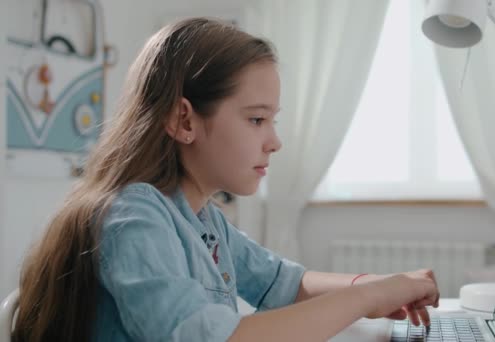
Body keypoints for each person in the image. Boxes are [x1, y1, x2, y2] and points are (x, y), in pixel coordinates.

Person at [12, 18, 440, 342]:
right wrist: (366, 300)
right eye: (256, 119)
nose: (274, 142)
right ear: (184, 120)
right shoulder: (134, 219)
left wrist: (381, 287)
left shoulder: (203, 219)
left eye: (272, 120)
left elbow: (283, 283)